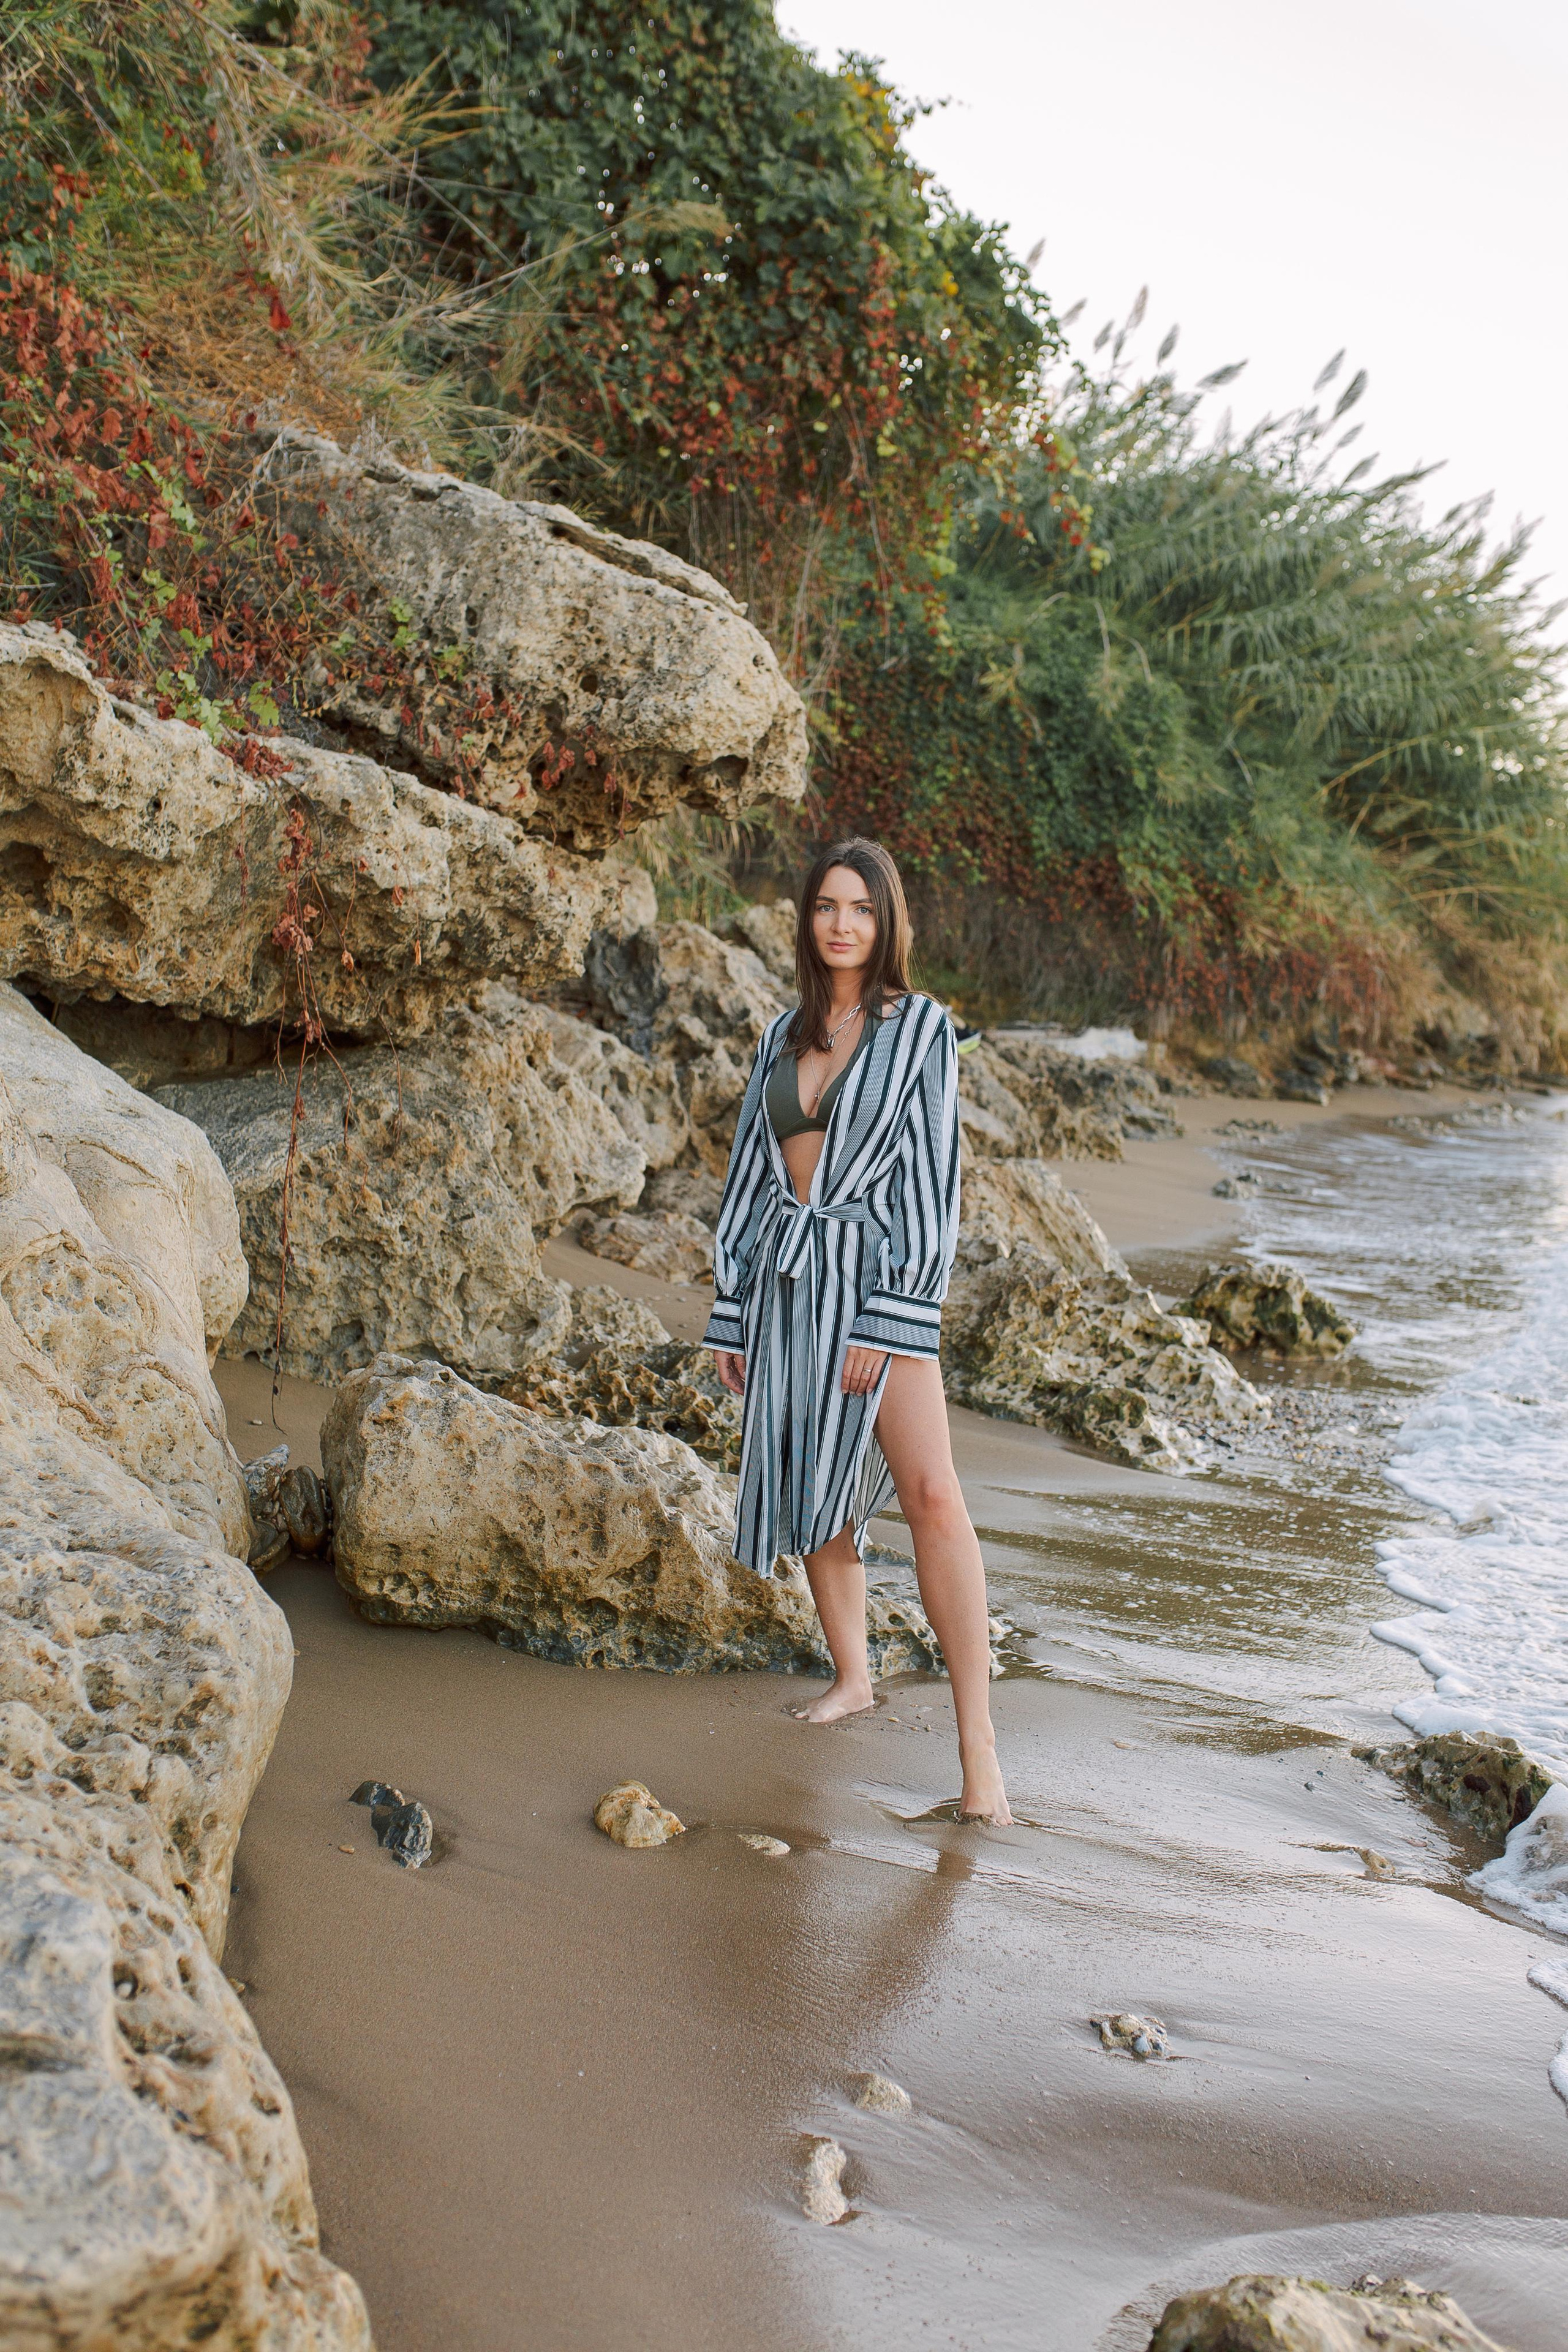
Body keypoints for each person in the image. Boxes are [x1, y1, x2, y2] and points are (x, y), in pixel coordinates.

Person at [704, 838, 1011, 1825]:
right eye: (827, 907)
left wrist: (894, 1310)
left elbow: (932, 1181)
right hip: (788, 1281)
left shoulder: (920, 1029)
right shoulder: (778, 1037)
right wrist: (731, 1303)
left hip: (874, 1280)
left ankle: (979, 1751)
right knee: (813, 1488)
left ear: (888, 925)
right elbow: (753, 1174)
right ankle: (854, 1675)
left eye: (862, 910)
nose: (842, 924)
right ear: (807, 921)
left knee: (929, 1493)